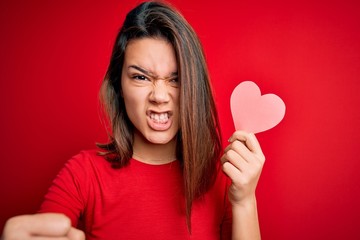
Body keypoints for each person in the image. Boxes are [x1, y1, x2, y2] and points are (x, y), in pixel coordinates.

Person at [1, 1, 265, 239]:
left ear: (194, 86)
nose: (160, 96)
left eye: (176, 79)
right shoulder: (82, 175)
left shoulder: (224, 177)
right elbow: (46, 228)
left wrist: (245, 201)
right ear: (119, 85)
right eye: (141, 77)